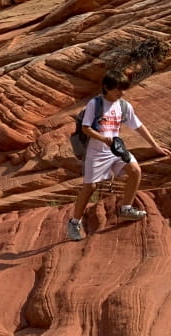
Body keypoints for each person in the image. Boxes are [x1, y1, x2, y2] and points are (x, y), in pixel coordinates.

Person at [67, 71, 171, 241]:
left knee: (135, 170)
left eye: (123, 89)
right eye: (118, 89)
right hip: (96, 152)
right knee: (90, 187)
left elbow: (139, 126)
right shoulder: (96, 103)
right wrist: (104, 139)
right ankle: (74, 223)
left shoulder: (124, 106)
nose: (121, 93)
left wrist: (155, 145)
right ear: (107, 88)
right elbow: (86, 128)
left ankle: (126, 209)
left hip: (115, 149)